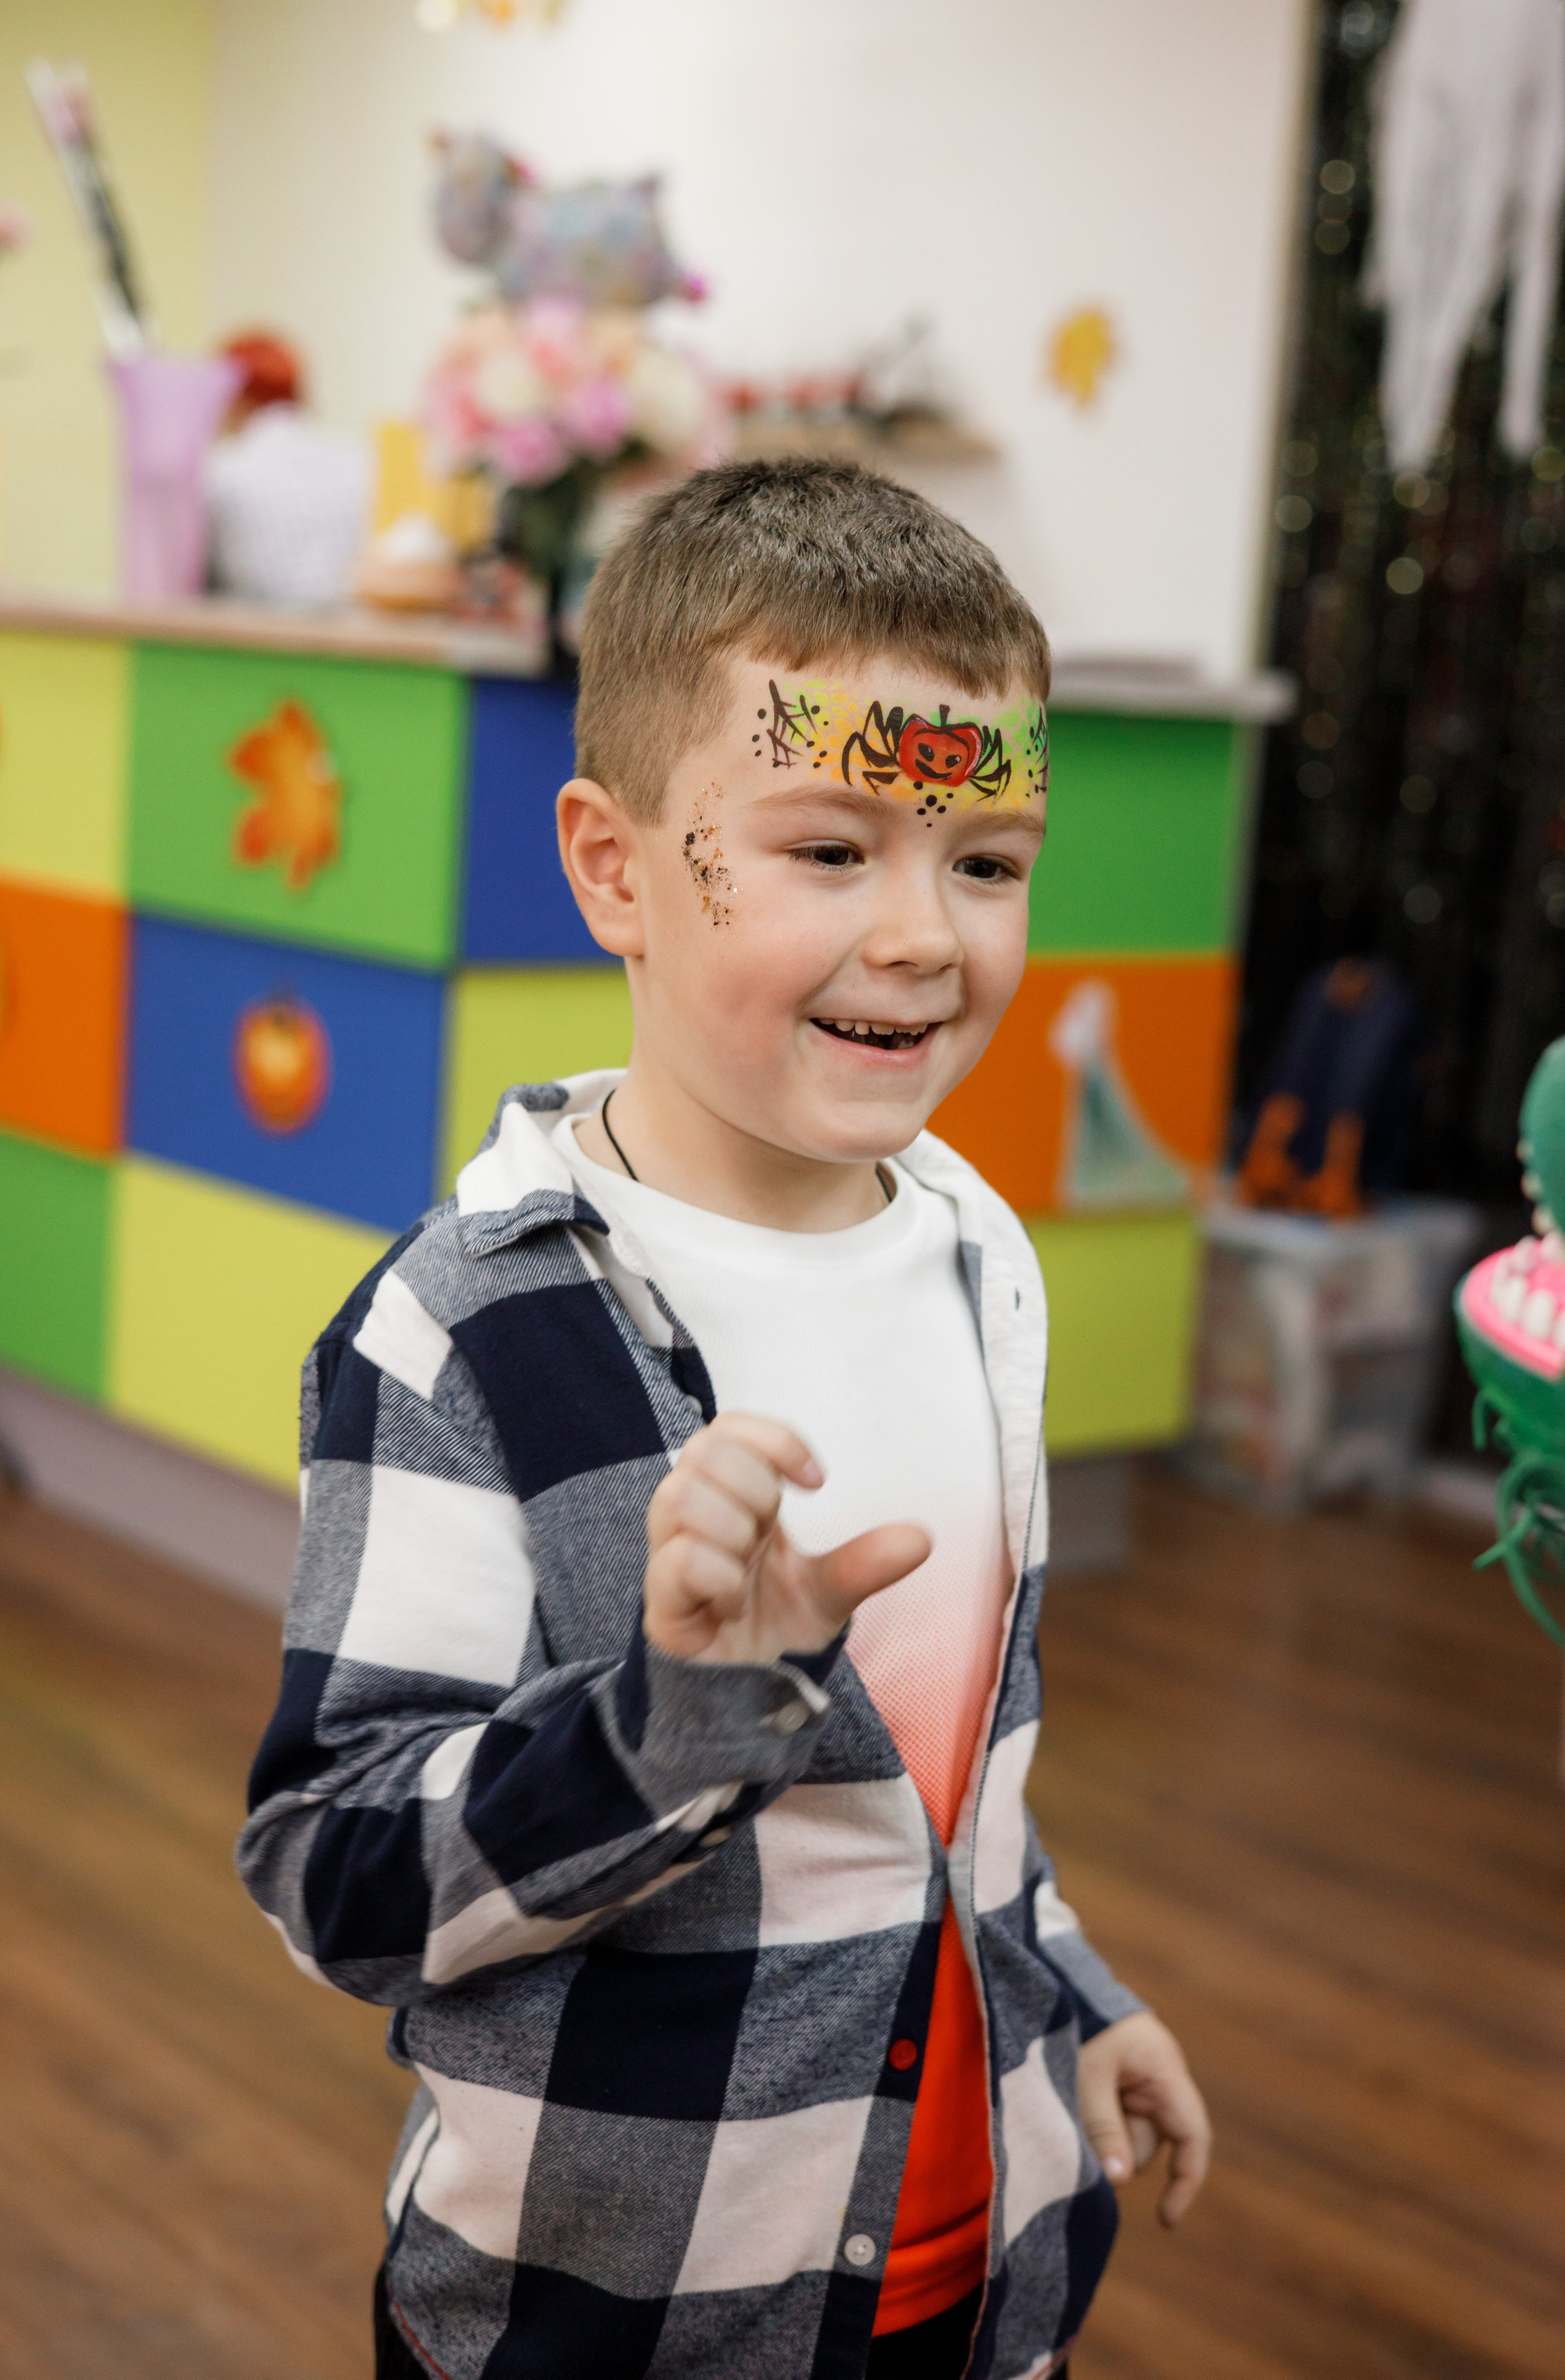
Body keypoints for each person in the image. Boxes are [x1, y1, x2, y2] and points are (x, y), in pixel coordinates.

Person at [237, 458, 1211, 2380]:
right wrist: (663, 1723)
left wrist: (1072, 1995)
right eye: (830, 849)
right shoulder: (455, 1335)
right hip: (624, 2315)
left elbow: (943, 1791)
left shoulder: (976, 1253)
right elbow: (334, 1870)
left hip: (979, 2276)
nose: (926, 931)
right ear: (614, 866)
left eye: (985, 857)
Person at [205, 329, 370, 607]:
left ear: (231, 399)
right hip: (350, 635)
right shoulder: (358, 458)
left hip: (254, 639)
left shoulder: (222, 470)